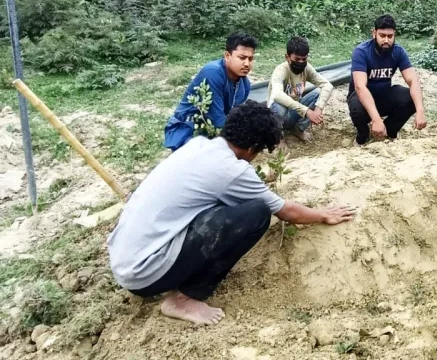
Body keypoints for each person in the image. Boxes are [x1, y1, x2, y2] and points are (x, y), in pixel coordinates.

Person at [108, 101, 356, 326]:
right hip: (146, 274)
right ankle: (184, 299)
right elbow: (286, 211)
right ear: (252, 147)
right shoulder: (232, 170)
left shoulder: (199, 145)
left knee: (222, 206)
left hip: (125, 259)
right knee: (257, 213)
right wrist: (323, 214)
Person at [163, 32, 256, 151]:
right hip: (186, 129)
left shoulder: (245, 84)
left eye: (251, 59)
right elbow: (217, 120)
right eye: (242, 58)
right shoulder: (213, 72)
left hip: (212, 131)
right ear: (227, 56)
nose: (247, 63)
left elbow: (234, 118)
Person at [348, 14, 426, 145]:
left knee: (410, 99)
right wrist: (376, 119)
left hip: (384, 95)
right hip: (361, 97)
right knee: (357, 109)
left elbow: (413, 80)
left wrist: (420, 111)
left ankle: (390, 130)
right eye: (382, 35)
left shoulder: (398, 52)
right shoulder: (361, 52)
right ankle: (363, 133)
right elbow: (360, 87)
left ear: (394, 35)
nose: (386, 40)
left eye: (390, 36)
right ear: (374, 33)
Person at [268, 36, 334, 146]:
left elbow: (327, 85)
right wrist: (306, 111)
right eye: (297, 59)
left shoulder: (306, 68)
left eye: (304, 59)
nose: (301, 62)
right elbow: (276, 94)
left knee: (318, 94)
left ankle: (298, 129)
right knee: (279, 106)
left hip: (293, 112)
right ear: (287, 57)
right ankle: (278, 137)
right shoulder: (281, 71)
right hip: (276, 115)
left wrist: (318, 109)